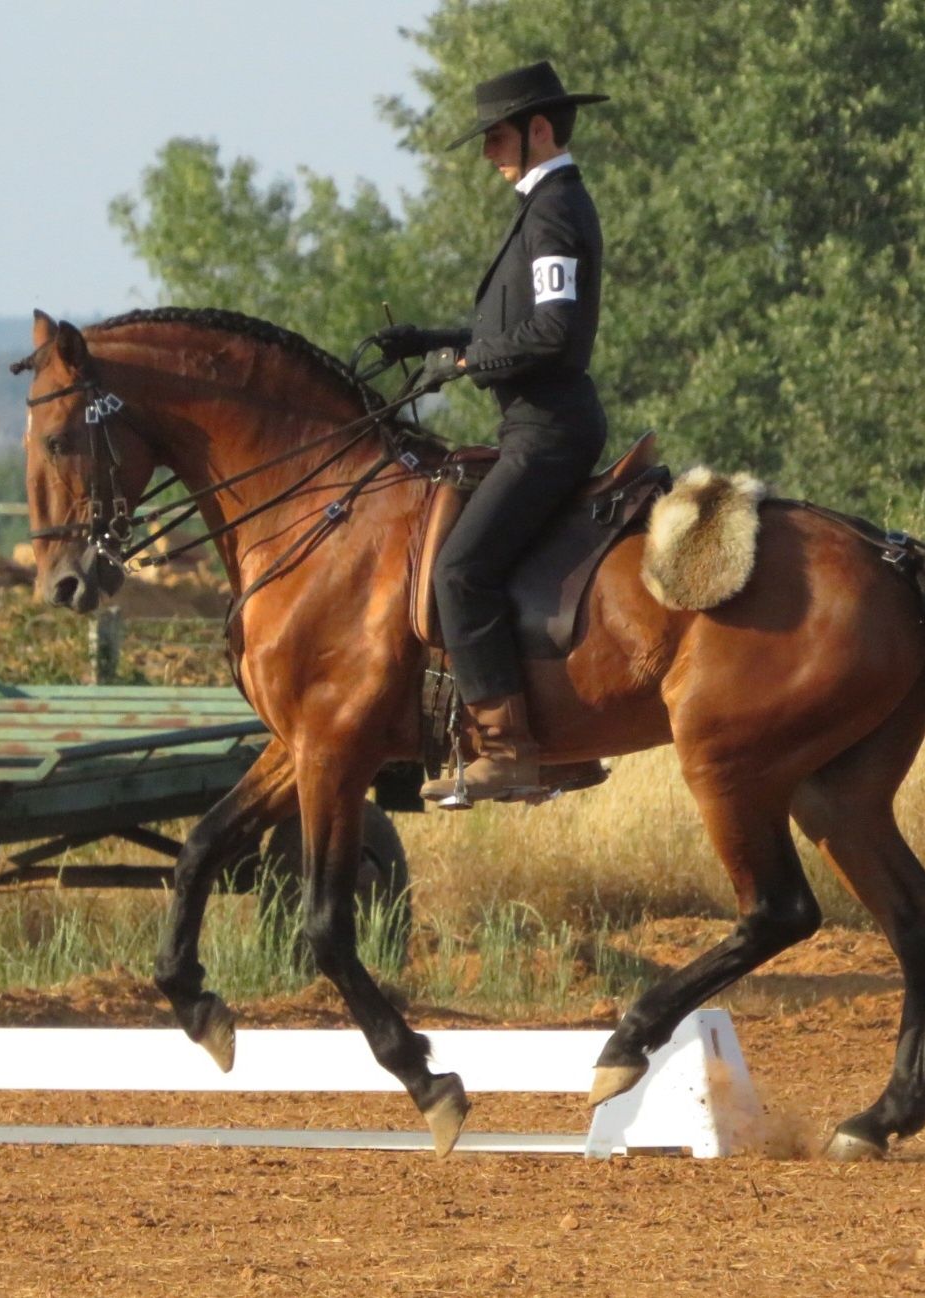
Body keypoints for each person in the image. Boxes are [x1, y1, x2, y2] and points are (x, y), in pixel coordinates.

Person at [377, 60, 611, 805]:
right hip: (534, 424)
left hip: (548, 430)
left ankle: (509, 750)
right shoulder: (544, 207)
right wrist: (433, 340)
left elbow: (551, 335)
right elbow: (513, 324)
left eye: (498, 137)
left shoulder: (554, 211)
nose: (488, 153)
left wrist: (468, 358)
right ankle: (556, 744)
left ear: (539, 129)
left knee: (459, 572)